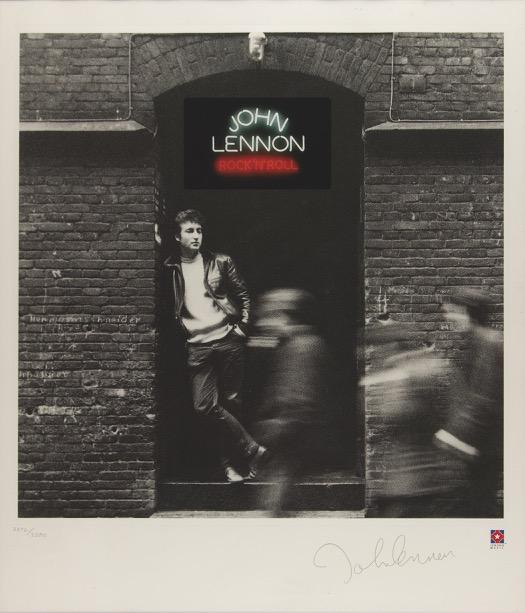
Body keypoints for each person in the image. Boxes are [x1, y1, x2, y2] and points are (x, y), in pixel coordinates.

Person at [163, 209, 267, 483]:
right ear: (177, 237)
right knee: (205, 406)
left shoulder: (220, 261)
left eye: (199, 230)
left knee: (231, 404)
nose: (196, 235)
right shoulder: (169, 267)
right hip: (197, 347)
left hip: (228, 341)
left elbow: (243, 294)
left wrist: (242, 327)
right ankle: (252, 451)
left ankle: (232, 467)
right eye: (189, 231)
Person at [250, 288, 332, 516]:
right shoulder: (294, 344)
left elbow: (299, 399)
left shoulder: (303, 346)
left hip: (289, 439)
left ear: (284, 315)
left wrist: (276, 427)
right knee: (282, 501)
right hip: (288, 438)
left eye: (268, 315)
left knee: (277, 502)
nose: (262, 323)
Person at [433, 288, 503, 517]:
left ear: (467, 311)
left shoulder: (488, 342)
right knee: (479, 502)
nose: (449, 317)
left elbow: (484, 396)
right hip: (479, 444)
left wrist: (454, 435)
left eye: (453, 311)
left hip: (483, 445)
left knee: (482, 504)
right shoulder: (479, 341)